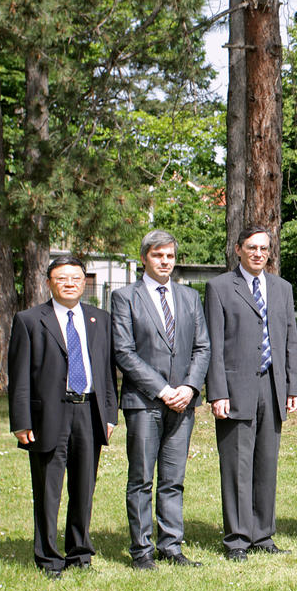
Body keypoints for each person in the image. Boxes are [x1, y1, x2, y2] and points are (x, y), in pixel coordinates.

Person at [8, 255, 118, 579]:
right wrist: (21, 420)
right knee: (48, 490)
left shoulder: (100, 319)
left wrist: (110, 414)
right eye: (62, 278)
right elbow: (19, 375)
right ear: (49, 283)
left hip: (89, 410)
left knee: (84, 488)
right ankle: (48, 559)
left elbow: (107, 370)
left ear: (84, 282)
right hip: (48, 416)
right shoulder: (29, 320)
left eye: (76, 278)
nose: (69, 283)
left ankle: (79, 553)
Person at [110, 230, 211, 570]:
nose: (165, 261)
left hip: (183, 403)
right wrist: (162, 389)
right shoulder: (125, 297)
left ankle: (171, 545)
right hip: (144, 403)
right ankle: (141, 550)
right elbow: (123, 352)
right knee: (141, 478)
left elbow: (202, 347)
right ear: (144, 258)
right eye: (158, 255)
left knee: (173, 478)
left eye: (169, 255)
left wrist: (189, 387)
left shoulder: (188, 297)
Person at [205, 226, 297, 561]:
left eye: (264, 248)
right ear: (238, 249)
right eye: (252, 248)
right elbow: (214, 345)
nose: (259, 253)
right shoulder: (219, 288)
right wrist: (217, 392)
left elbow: (290, 339)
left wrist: (293, 386)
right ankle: (236, 539)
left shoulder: (281, 288)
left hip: (271, 387)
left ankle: (263, 535)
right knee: (236, 466)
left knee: (266, 464)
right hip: (234, 390)